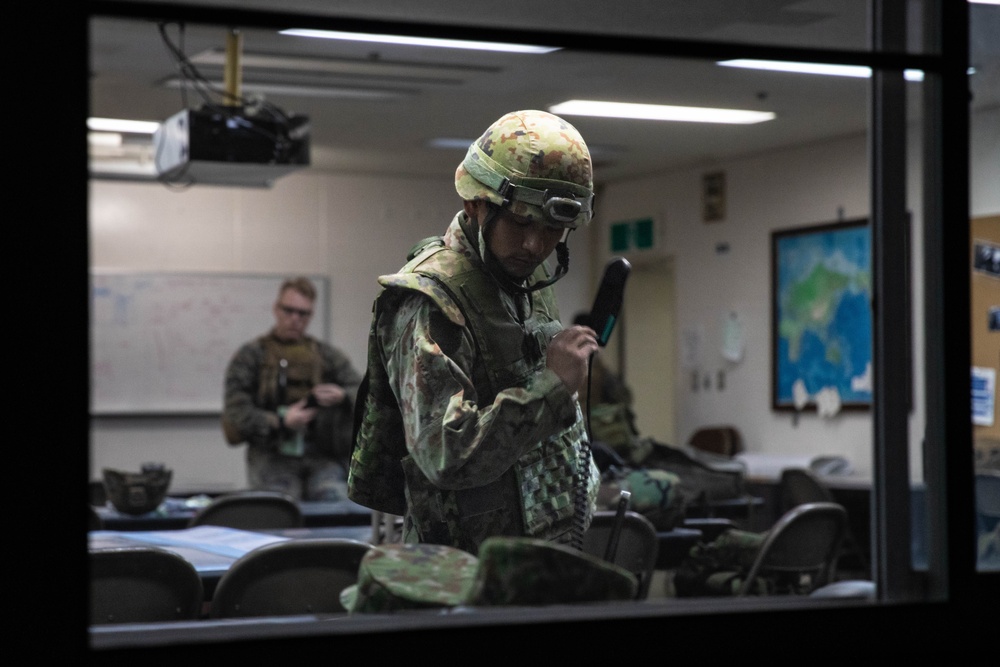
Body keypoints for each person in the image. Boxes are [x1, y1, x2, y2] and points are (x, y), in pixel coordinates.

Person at [349, 110, 602, 555]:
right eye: (522, 223)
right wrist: (551, 389)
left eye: (553, 229)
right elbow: (445, 454)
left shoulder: (526, 281)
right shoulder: (429, 300)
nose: (535, 246)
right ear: (476, 203)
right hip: (461, 569)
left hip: (541, 551)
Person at [222, 276, 362, 501]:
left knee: (336, 506)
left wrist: (343, 396)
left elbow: (365, 393)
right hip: (272, 455)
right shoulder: (251, 356)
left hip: (323, 457)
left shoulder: (327, 357)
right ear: (276, 309)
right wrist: (281, 421)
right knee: (279, 510)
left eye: (303, 313)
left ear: (310, 315)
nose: (295, 319)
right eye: (289, 311)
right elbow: (236, 413)